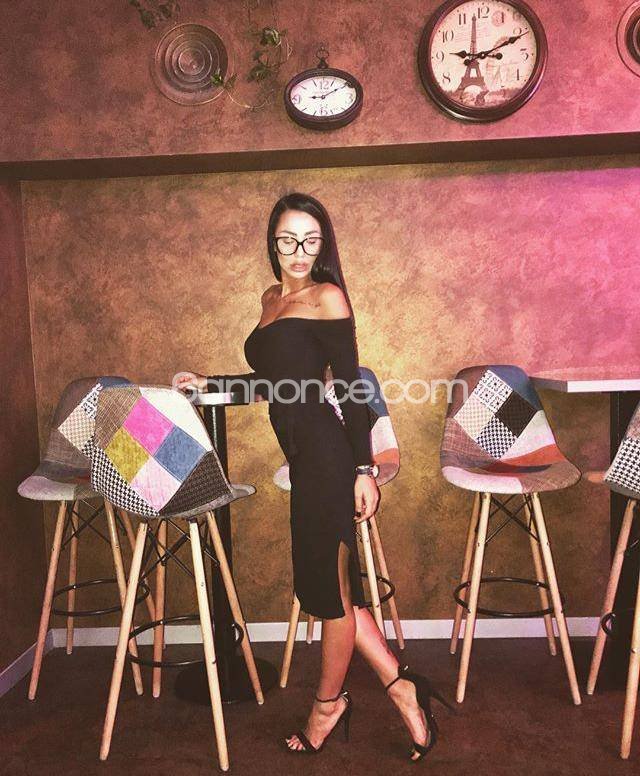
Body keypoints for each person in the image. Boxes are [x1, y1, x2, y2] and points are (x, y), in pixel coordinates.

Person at [175, 192, 453, 761]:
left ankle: (327, 707)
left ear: (322, 244)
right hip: (304, 461)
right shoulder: (271, 298)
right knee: (331, 589)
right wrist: (211, 383)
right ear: (272, 243)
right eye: (287, 239)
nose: (299, 250)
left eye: (310, 239)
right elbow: (275, 382)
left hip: (329, 458)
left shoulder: (328, 297)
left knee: (328, 595)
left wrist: (362, 469)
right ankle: (403, 687)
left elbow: (349, 388)